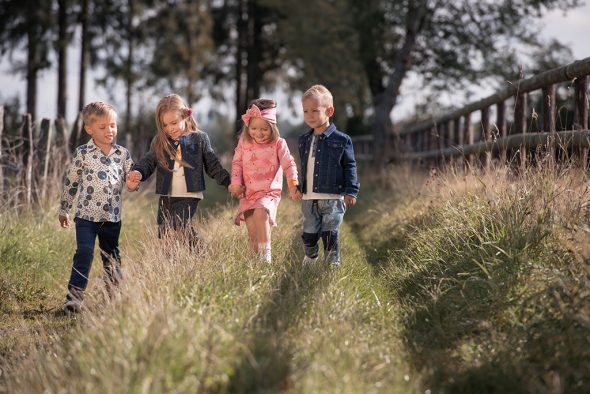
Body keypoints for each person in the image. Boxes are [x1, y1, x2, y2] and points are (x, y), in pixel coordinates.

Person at [59, 101, 134, 313]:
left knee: (111, 257)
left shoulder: (122, 154)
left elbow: (132, 179)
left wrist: (133, 182)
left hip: (112, 217)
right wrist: (64, 208)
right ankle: (74, 299)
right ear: (89, 129)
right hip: (85, 216)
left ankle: (114, 298)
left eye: (113, 125)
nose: (110, 130)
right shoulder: (82, 153)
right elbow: (72, 182)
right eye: (103, 127)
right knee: (84, 252)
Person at [126, 94, 230, 247]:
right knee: (166, 235)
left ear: (185, 116)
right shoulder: (160, 141)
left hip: (189, 194)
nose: (170, 129)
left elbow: (213, 165)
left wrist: (228, 182)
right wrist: (138, 172)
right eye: (165, 125)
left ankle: (200, 250)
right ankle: (195, 252)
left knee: (177, 228)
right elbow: (148, 161)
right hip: (166, 195)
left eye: (174, 122)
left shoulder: (199, 138)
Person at [228, 98, 300, 263]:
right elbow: (237, 163)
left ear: (272, 128)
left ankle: (266, 257)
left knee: (262, 214)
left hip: (268, 192)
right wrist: (236, 183)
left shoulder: (278, 144)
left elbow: (289, 164)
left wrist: (293, 184)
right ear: (248, 127)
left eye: (264, 129)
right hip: (248, 192)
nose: (258, 133)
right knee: (253, 233)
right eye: (253, 128)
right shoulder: (244, 142)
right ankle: (257, 265)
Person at [297, 84, 359, 266]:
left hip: (332, 197)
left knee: (330, 234)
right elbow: (305, 167)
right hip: (309, 198)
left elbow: (350, 165)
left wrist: (351, 191)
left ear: (329, 111)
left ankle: (332, 265)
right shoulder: (304, 140)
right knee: (308, 235)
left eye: (315, 110)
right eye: (306, 111)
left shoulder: (342, 140)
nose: (309, 115)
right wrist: (299, 188)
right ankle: (311, 255)